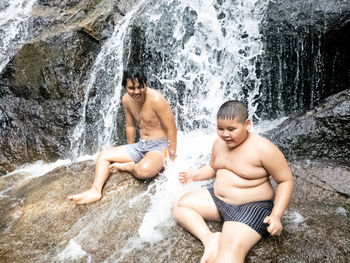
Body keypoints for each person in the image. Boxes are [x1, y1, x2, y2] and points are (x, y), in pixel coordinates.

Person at [172, 100, 293, 263]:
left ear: (247, 124)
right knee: (179, 206)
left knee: (229, 255)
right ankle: (210, 239)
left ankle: (226, 241)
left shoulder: (263, 148)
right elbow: (213, 167)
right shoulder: (219, 144)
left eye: (231, 129)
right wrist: (194, 176)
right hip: (219, 201)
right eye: (220, 128)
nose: (225, 134)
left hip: (251, 208)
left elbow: (285, 181)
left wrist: (276, 216)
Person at [68, 66, 177, 204]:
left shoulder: (156, 99)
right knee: (104, 155)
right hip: (141, 145)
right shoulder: (126, 100)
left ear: (145, 84)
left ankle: (129, 166)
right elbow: (130, 125)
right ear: (125, 87)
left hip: (159, 147)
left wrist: (172, 156)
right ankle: (95, 191)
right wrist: (131, 149)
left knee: (143, 171)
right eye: (132, 88)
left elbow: (172, 128)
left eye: (140, 87)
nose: (137, 92)